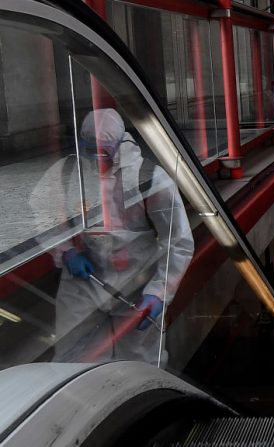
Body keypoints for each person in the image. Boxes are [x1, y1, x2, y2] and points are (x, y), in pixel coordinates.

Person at [31, 108, 194, 364]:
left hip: (137, 285)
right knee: (75, 359)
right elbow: (42, 213)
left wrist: (159, 291)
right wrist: (65, 250)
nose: (97, 158)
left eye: (103, 151)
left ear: (120, 144)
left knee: (139, 361)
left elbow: (179, 241)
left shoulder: (149, 178)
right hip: (83, 284)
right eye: (90, 150)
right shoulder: (67, 173)